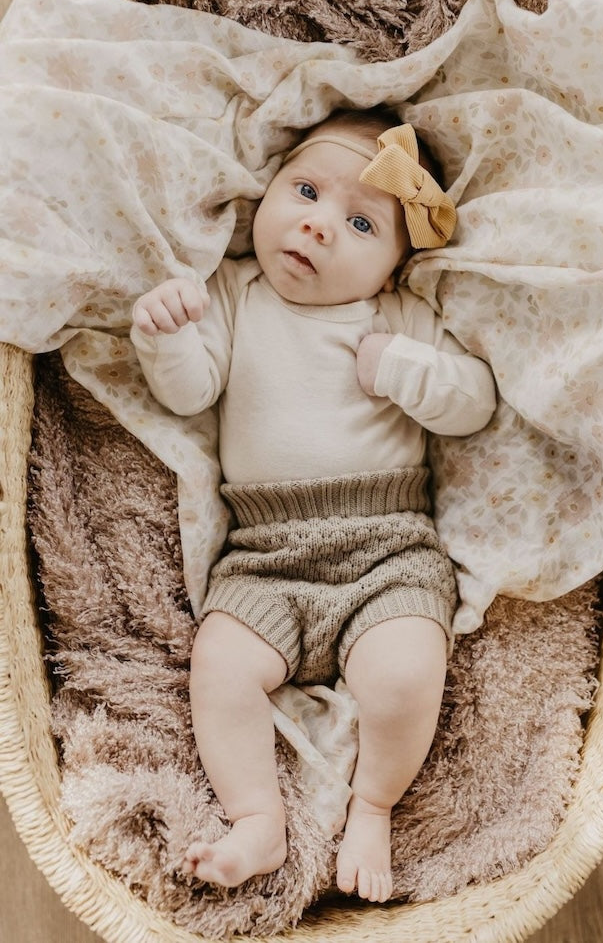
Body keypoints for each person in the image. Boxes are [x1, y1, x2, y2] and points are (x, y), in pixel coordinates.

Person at [130, 107, 496, 903]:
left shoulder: (395, 316)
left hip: (387, 547)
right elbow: (194, 390)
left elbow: (473, 402)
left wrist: (401, 366)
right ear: (267, 195)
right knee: (220, 667)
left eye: (361, 222)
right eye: (305, 191)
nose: (318, 226)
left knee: (404, 676)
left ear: (395, 269)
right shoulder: (234, 292)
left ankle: (373, 804)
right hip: (263, 554)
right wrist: (165, 336)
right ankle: (257, 819)